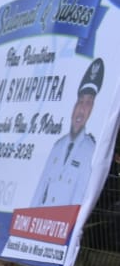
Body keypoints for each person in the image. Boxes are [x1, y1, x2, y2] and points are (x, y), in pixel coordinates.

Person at [32, 58, 104, 208]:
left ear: (92, 109)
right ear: (74, 106)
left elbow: (79, 200)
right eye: (80, 101)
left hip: (63, 226)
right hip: (43, 224)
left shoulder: (90, 151)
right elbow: (39, 191)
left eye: (88, 102)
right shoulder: (58, 146)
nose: (82, 109)